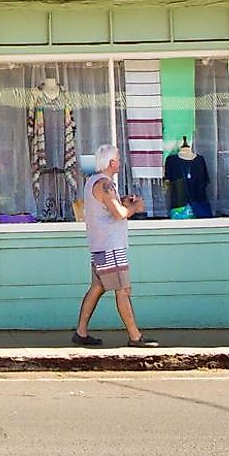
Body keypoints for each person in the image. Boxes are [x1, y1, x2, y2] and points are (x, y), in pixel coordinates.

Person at [73, 145, 157, 347]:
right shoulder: (105, 184)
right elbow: (119, 213)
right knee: (123, 289)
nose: (120, 162)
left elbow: (109, 208)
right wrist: (135, 207)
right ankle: (135, 336)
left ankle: (81, 332)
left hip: (99, 245)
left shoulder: (93, 181)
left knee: (98, 287)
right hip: (111, 246)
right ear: (111, 163)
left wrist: (123, 201)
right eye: (118, 159)